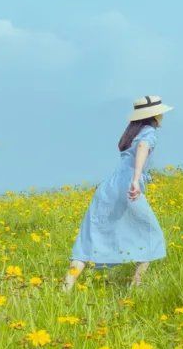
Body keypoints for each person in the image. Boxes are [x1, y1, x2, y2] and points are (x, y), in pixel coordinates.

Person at [63, 95, 172, 292]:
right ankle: (135, 286)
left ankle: (66, 288)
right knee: (150, 235)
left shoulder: (131, 133)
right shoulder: (148, 133)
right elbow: (143, 147)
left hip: (108, 186)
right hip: (128, 186)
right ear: (154, 115)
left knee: (90, 235)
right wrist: (136, 179)